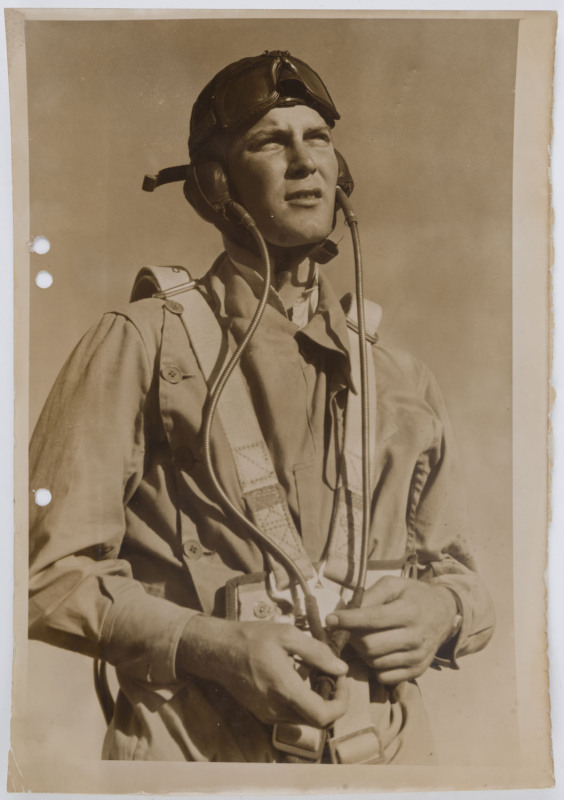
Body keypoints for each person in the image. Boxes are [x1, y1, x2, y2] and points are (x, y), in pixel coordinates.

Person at [29, 50, 495, 764]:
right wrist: (208, 645)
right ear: (217, 182)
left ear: (342, 177)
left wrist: (447, 612)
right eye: (271, 141)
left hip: (389, 758)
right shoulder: (138, 343)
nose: (305, 161)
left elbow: (461, 575)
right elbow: (42, 577)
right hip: (197, 756)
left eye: (319, 139)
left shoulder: (402, 378)